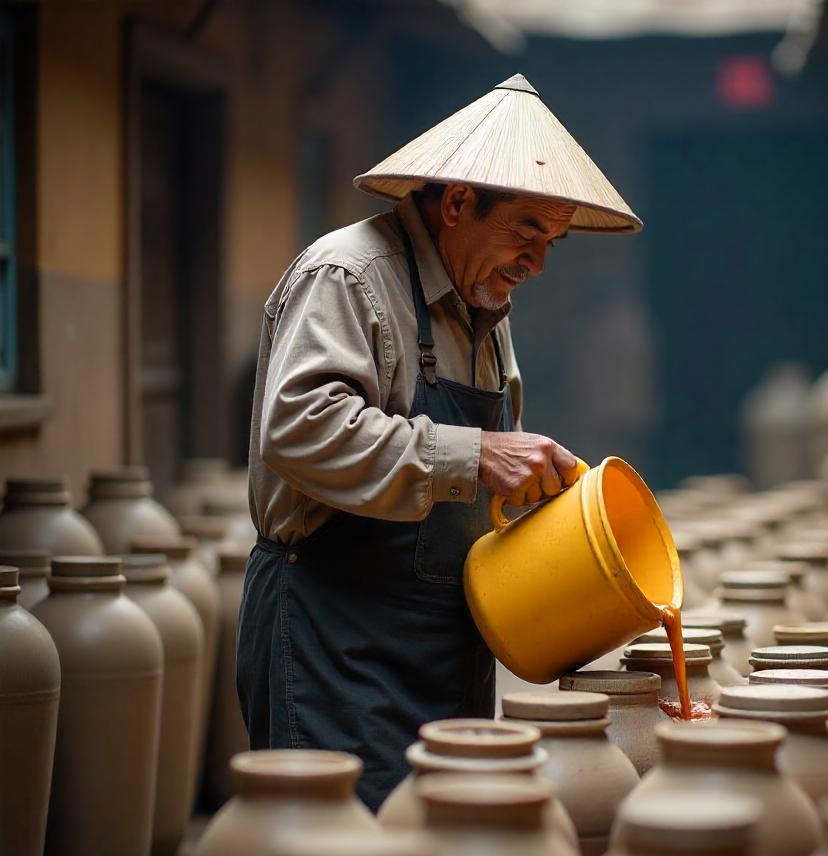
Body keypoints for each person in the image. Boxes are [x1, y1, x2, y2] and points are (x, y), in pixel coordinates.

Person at [237, 74, 642, 809]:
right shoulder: (349, 276)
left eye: (551, 241)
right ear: (456, 202)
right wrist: (480, 454)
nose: (538, 262)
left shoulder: (483, 303)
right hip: (337, 635)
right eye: (526, 231)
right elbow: (297, 428)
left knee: (443, 850)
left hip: (440, 642)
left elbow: (484, 467)